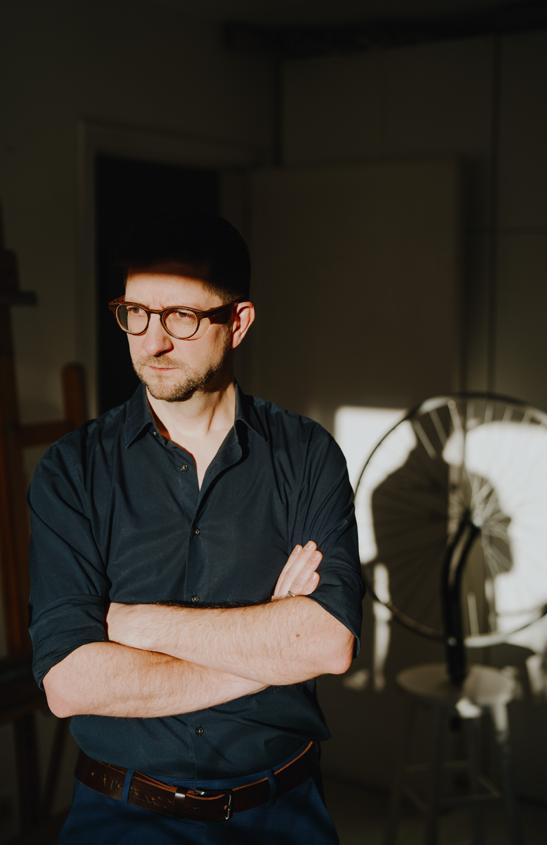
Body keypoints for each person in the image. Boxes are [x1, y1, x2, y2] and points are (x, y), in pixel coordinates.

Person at [28, 213, 364, 844]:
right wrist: (266, 655)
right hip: (120, 817)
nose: (152, 342)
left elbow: (325, 644)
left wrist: (135, 624)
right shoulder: (72, 470)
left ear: (237, 322)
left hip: (281, 815)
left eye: (180, 317)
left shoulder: (307, 455)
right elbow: (70, 684)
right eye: (135, 313)